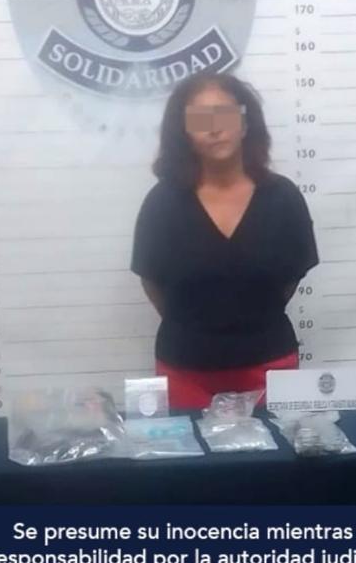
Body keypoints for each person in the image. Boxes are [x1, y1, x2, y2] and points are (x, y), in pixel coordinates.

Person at [131, 74, 319, 409]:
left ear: (245, 124)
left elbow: (290, 280)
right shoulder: (162, 203)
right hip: (185, 370)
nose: (215, 129)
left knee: (277, 446)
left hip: (269, 367)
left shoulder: (283, 198)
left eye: (225, 115)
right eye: (201, 119)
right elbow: (152, 282)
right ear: (184, 133)